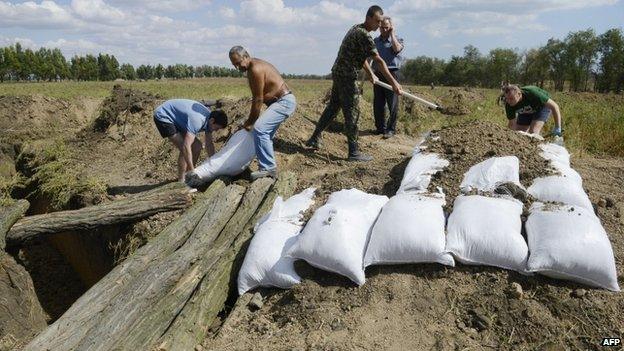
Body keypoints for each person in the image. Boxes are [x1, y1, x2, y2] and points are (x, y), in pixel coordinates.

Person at [306, 5, 402, 162]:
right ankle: (353, 152)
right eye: (377, 21)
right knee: (352, 112)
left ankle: (314, 137)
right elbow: (378, 60)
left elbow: (361, 56)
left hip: (339, 73)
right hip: (347, 76)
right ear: (369, 18)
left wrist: (370, 73)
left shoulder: (356, 28)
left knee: (333, 106)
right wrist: (394, 84)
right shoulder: (364, 35)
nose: (379, 26)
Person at [229, 46, 296, 180]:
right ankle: (266, 169)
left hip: (283, 102)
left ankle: (268, 168)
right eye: (234, 65)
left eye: (238, 63)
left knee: (260, 128)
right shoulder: (252, 67)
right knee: (264, 134)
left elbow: (258, 99)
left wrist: (250, 122)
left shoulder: (255, 69)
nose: (237, 67)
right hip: (280, 102)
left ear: (246, 56)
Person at [153, 99, 228, 181]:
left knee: (197, 146)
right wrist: (193, 170)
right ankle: (181, 181)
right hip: (164, 115)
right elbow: (186, 146)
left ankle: (188, 176)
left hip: (178, 118)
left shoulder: (210, 121)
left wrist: (214, 163)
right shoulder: (198, 120)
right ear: (212, 121)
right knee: (183, 148)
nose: (216, 131)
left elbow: (209, 144)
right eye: (216, 128)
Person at [372, 16, 404, 139]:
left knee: (393, 103)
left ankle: (391, 129)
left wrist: (392, 35)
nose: (384, 30)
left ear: (390, 27)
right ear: (379, 27)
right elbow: (370, 58)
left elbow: (397, 49)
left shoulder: (397, 39)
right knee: (378, 103)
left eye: (387, 27)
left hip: (392, 73)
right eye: (382, 27)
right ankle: (380, 128)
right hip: (378, 74)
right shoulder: (376, 41)